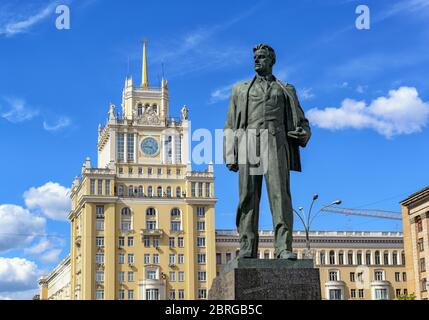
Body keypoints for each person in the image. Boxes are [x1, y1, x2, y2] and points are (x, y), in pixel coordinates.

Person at [224, 44, 311, 260]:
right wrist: (230, 154)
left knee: (280, 196)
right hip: (248, 143)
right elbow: (230, 124)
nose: (256, 60)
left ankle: (283, 247)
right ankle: (247, 247)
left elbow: (302, 121)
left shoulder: (285, 89)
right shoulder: (240, 89)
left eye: (261, 57)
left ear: (272, 60)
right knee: (247, 197)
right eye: (255, 57)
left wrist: (303, 133)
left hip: (275, 142)